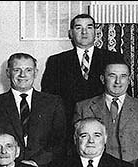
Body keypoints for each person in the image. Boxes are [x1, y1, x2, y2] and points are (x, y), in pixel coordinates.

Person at [41, 14, 125, 148]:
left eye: (89, 27)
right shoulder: (56, 61)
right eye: (79, 27)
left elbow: (124, 95)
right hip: (68, 130)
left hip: (104, 129)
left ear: (95, 32)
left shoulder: (113, 58)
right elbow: (48, 99)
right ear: (71, 33)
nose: (84, 32)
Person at [0, 53, 66, 167]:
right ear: (8, 73)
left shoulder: (53, 103)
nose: (22, 75)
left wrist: (35, 162)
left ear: (35, 73)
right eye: (17, 70)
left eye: (28, 70)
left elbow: (59, 141)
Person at [74, 60, 138, 164]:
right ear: (103, 79)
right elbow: (76, 147)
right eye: (112, 76)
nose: (118, 81)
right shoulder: (83, 107)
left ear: (129, 80)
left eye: (123, 76)